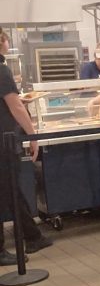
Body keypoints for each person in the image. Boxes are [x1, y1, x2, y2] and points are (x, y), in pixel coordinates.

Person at [0, 31, 52, 265]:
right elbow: (15, 107)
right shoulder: (2, 70)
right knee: (8, 189)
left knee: (10, 190)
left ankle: (32, 235)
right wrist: (33, 135)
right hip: (5, 140)